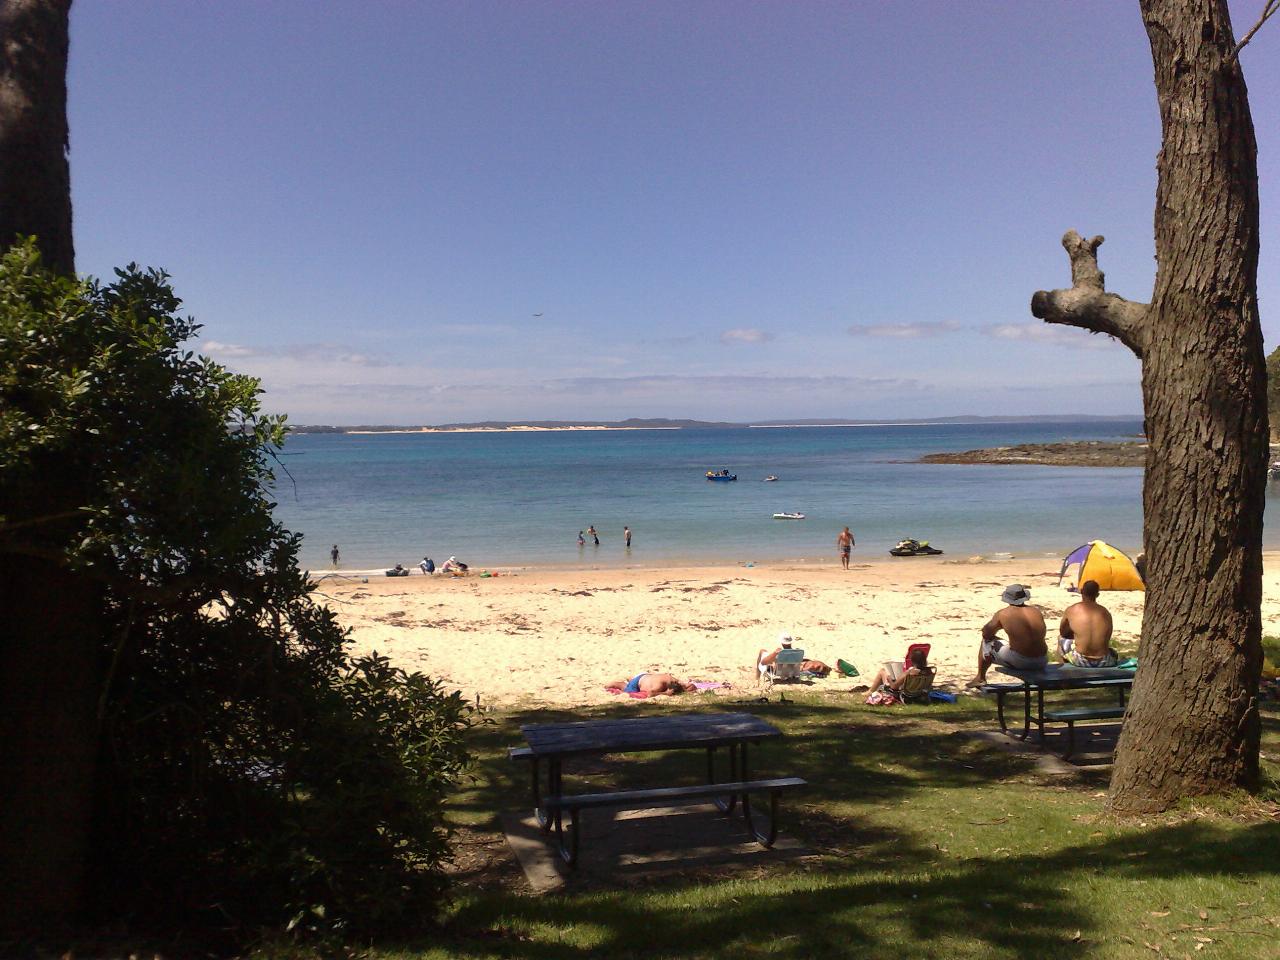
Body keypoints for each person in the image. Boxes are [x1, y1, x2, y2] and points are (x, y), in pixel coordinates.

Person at [967, 583, 1048, 686]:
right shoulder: (1035, 611)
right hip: (1042, 659)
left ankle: (980, 677)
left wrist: (996, 627)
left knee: (986, 643)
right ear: (1024, 597)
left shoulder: (1003, 613)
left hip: (1022, 661)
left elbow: (986, 634)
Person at [1058, 579, 1118, 667]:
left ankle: (1064, 672)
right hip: (1105, 661)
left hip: (1081, 660)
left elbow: (1063, 632)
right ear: (1097, 595)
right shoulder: (1105, 612)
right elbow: (1107, 636)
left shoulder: (1072, 610)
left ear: (1081, 591)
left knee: (1061, 640)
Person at [755, 632, 831, 678]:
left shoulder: (779, 653)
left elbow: (763, 662)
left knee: (762, 651)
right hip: (792, 672)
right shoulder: (797, 653)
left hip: (777, 672)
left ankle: (757, 677)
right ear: (791, 642)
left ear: (781, 642)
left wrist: (774, 654)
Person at [866, 646, 931, 697]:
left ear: (912, 660)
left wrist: (889, 679)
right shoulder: (928, 671)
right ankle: (871, 691)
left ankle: (870, 691)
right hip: (918, 693)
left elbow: (894, 687)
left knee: (882, 671)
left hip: (901, 693)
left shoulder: (909, 672)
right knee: (887, 674)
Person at [605, 672, 692, 696]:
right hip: (638, 683)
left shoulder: (671, 679)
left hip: (645, 676)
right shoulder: (659, 686)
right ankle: (617, 683)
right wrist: (665, 693)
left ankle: (630, 678)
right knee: (625, 688)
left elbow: (684, 686)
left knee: (637, 680)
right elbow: (650, 693)